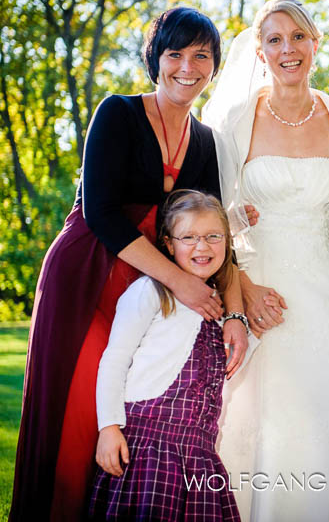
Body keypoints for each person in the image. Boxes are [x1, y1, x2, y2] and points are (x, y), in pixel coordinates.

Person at [10, 7, 250, 522]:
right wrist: (181, 281)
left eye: (201, 56)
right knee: (77, 411)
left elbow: (213, 232)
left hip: (153, 284)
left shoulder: (206, 142)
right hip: (89, 271)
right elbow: (100, 212)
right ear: (155, 60)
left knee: (129, 410)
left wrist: (233, 314)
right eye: (175, 54)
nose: (187, 67)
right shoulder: (116, 113)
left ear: (214, 66)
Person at [204, 0, 329, 521]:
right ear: (260, 51)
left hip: (327, 292)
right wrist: (239, 290)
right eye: (274, 39)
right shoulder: (236, 120)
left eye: (297, 37)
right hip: (257, 289)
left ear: (316, 43)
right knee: (261, 419)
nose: (287, 49)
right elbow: (214, 219)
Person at [89, 190, 244, 521]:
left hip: (199, 454)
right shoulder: (149, 292)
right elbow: (115, 360)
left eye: (213, 237)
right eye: (188, 237)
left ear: (227, 242)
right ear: (169, 245)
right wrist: (109, 428)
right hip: (147, 447)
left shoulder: (221, 308)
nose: (202, 247)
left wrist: (238, 316)